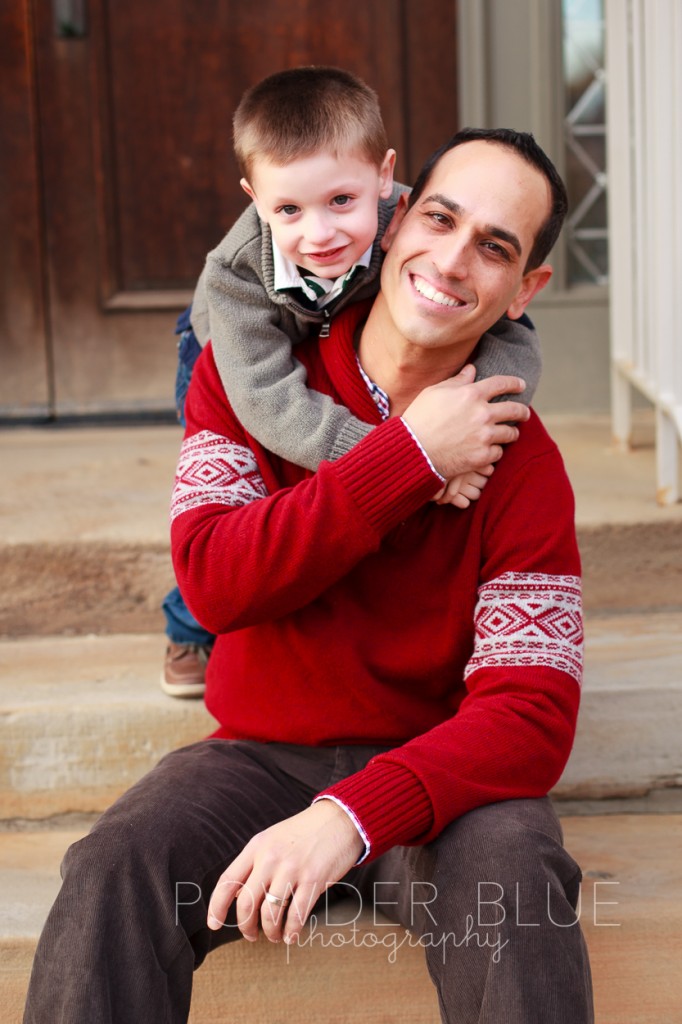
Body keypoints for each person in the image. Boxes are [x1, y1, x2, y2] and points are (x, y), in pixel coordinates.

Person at [24, 127, 594, 1024]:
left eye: (494, 247)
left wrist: (351, 815)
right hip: (257, 761)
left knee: (517, 886)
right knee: (112, 869)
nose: (451, 259)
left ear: (525, 290)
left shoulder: (522, 466)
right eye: (440, 219)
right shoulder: (246, 382)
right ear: (395, 215)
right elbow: (213, 584)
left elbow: (530, 713)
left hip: (441, 783)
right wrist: (403, 461)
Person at [161, 66, 543, 698]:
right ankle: (189, 626)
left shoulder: (424, 224)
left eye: (342, 201)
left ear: (385, 178)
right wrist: (404, 456)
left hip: (341, 334)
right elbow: (267, 400)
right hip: (234, 353)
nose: (320, 233)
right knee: (238, 482)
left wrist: (482, 413)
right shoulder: (234, 274)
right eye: (287, 209)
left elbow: (516, 335)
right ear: (254, 199)